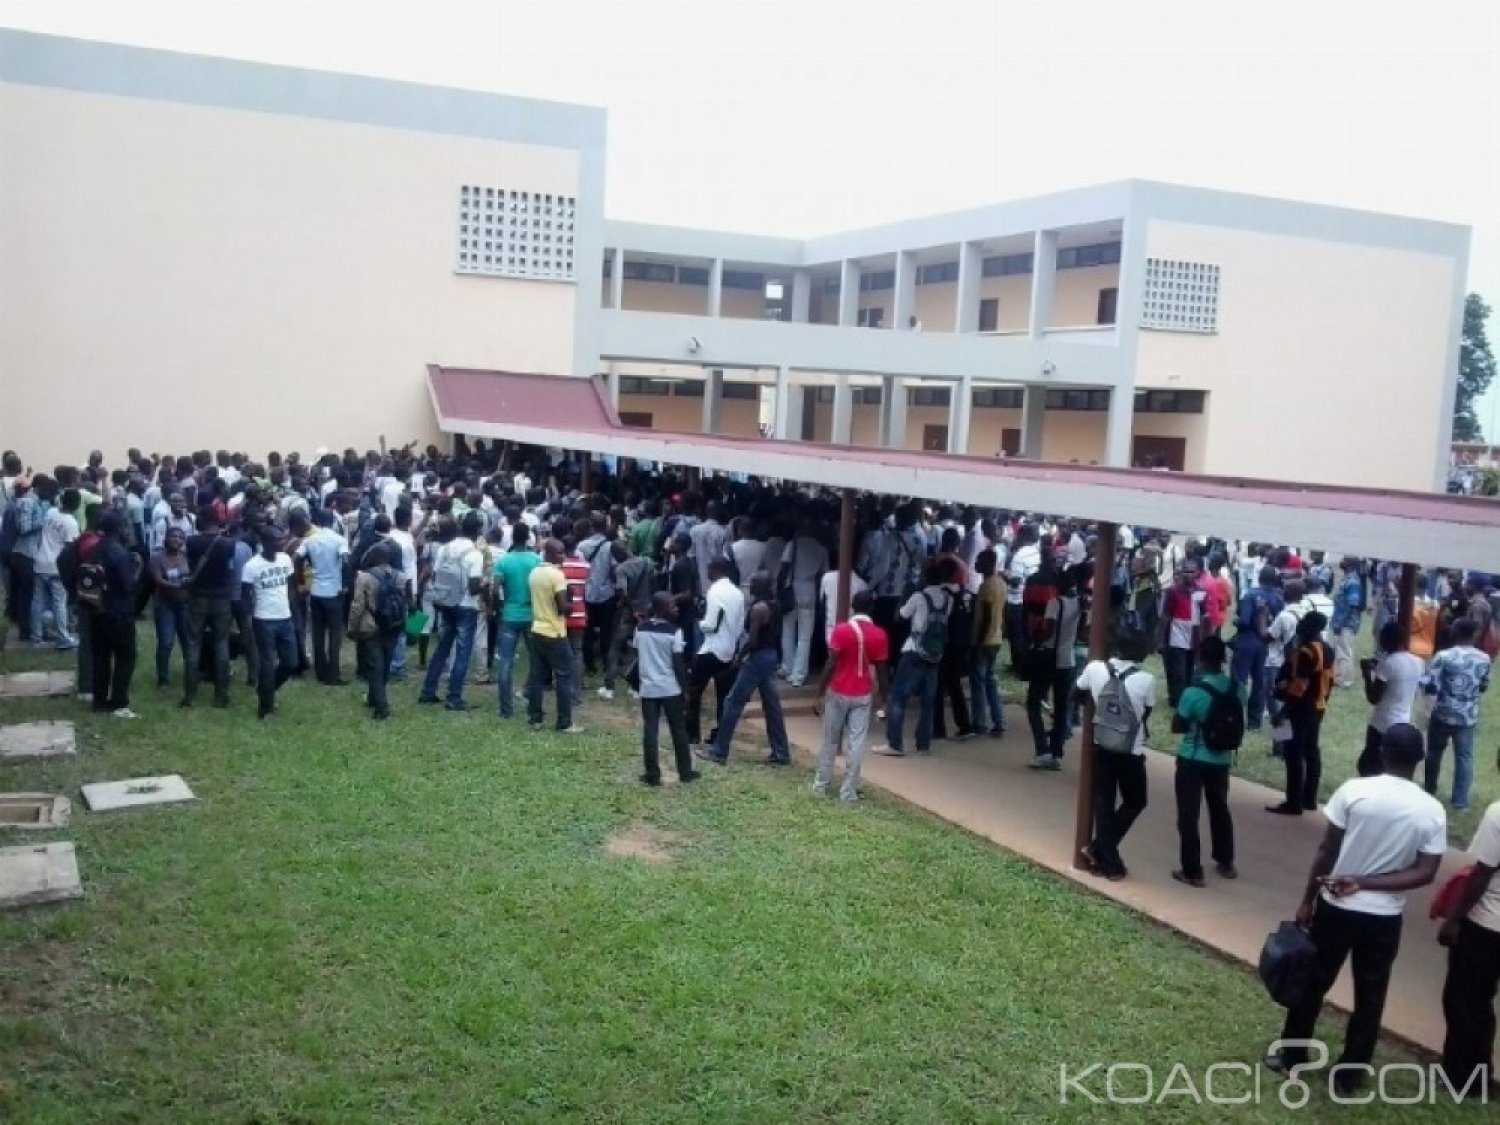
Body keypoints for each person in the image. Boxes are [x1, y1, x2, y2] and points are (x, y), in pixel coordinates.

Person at [1267, 724, 1446, 1096]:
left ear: (1381, 752)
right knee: (1371, 994)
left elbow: (1327, 851)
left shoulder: (1354, 791)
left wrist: (1307, 900)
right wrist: (1371, 884)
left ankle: (1292, 1057)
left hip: (1337, 907)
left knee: (1314, 982)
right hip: (1384, 918)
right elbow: (1425, 872)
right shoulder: (1431, 810)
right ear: (1420, 760)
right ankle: (1350, 1075)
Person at [1076, 630, 1156, 880]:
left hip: (1103, 745)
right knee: (1136, 801)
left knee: (1104, 802)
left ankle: (1103, 855)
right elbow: (1145, 713)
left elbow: (1076, 693)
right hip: (1130, 750)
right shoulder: (1147, 680)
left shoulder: (1095, 668)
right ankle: (1103, 853)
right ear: (1141, 653)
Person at [1437, 790, 1500, 1097]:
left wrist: (1453, 919)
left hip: (1488, 923)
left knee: (1465, 999)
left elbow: (1482, 874)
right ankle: (1480, 1073)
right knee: (1482, 1001)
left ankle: (1462, 1078)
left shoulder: (1498, 813)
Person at [697, 570, 789, 766]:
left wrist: (739, 657)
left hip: (758, 659)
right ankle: (781, 752)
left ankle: (719, 752)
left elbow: (753, 639)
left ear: (764, 586)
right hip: (771, 656)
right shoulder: (774, 605)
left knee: (733, 702)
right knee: (772, 706)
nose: (751, 585)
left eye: (755, 582)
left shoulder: (759, 609)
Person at [1170, 635, 1241, 887]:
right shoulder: (1236, 688)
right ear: (1222, 659)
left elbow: (1177, 726)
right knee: (1219, 808)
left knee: (1188, 815)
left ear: (1200, 658)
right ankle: (1226, 861)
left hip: (1193, 757)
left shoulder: (1193, 692)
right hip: (1221, 760)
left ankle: (1192, 871)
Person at [811, 590, 890, 803]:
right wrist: (884, 698)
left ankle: (821, 785)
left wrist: (819, 691)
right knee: (857, 743)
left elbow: (831, 663)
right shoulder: (879, 635)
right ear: (872, 609)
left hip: (838, 691)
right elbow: (882, 670)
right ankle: (848, 792)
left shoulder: (841, 630)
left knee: (830, 739)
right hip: (862, 694)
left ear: (852, 607)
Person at [873, 558, 957, 759]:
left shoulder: (918, 597)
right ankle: (923, 745)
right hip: (935, 655)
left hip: (914, 651)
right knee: (928, 701)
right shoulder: (949, 600)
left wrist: (905, 595)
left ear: (925, 578)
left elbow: (899, 617)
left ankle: (894, 743)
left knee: (898, 698)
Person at [418, 511, 485, 711]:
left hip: (446, 602)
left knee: (442, 647)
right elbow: (474, 588)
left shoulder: (445, 549)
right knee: (463, 653)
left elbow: (436, 574)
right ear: (478, 531)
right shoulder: (475, 554)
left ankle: (428, 691)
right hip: (466, 606)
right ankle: (454, 697)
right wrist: (485, 583)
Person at [1421, 618, 1491, 811]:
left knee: (1434, 753)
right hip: (1468, 715)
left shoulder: (1444, 656)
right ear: (1473, 635)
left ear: (1456, 633)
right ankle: (1460, 801)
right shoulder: (1484, 659)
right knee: (1464, 757)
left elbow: (1431, 685)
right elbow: (1484, 685)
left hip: (1443, 711)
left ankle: (1429, 791)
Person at [1268, 611, 1334, 815]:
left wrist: (1283, 712)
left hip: (1300, 707)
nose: (1300, 626)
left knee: (1293, 752)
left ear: (1311, 627)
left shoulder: (1307, 651)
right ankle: (1309, 798)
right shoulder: (1328, 649)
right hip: (1318, 706)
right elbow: (1329, 681)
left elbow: (1299, 685)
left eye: (1303, 623)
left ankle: (1293, 802)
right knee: (1311, 750)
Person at [631, 591, 700, 787]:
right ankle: (685, 772)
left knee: (650, 731)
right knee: (678, 729)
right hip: (670, 687)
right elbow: (678, 665)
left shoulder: (641, 629)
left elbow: (638, 653)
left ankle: (652, 774)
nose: (676, 608)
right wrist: (684, 690)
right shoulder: (674, 631)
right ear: (662, 608)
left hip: (648, 687)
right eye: (672, 606)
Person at [84, 511, 141, 718]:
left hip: (96, 609)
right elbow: (128, 585)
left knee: (101, 657)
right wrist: (137, 569)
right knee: (125, 656)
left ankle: (99, 700)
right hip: (119, 612)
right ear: (120, 529)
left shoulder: (94, 549)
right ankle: (119, 701)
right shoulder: (119, 552)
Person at [181, 506, 237, 708]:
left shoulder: (192, 542)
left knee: (193, 643)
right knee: (221, 644)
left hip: (198, 596)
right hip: (221, 597)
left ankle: (190, 696)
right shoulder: (228, 543)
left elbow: (190, 564)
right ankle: (221, 695)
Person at [241, 525, 297, 720]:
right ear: (264, 543)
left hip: (285, 617)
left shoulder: (285, 559)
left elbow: (291, 584)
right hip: (263, 620)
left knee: (291, 662)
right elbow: (245, 596)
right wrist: (248, 619)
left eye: (282, 540)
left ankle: (267, 689)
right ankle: (265, 708)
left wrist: (288, 604)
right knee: (266, 663)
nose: (281, 543)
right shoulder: (252, 566)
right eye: (276, 541)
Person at [686, 556, 742, 751]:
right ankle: (719, 735)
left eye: (709, 569)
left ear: (717, 570)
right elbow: (739, 625)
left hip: (711, 648)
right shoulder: (738, 592)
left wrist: (698, 621)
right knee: (723, 697)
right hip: (729, 649)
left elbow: (711, 625)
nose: (707, 573)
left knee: (693, 691)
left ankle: (691, 734)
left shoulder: (715, 591)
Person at [526, 538, 581, 733]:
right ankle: (564, 722)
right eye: (559, 553)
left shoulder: (534, 573)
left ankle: (535, 718)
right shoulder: (557, 576)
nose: (563, 556)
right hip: (555, 632)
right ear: (549, 554)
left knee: (537, 676)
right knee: (564, 676)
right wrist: (572, 599)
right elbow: (563, 609)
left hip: (537, 628)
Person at [346, 541, 405, 720]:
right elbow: (406, 603)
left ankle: (381, 707)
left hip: (371, 626)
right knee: (385, 665)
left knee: (375, 666)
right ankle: (374, 697)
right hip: (393, 626)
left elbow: (357, 606)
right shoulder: (399, 576)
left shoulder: (364, 577)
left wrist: (352, 628)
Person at [1356, 622, 1424, 777]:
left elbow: (1374, 697)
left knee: (1368, 766)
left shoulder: (1388, 663)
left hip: (1381, 723)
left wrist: (1367, 674)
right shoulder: (1418, 662)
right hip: (1403, 720)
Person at [294, 508, 351, 686]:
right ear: (333, 522)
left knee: (318, 633)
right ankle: (333, 674)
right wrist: (345, 584)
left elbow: (296, 558)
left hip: (316, 591)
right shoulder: (339, 540)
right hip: (333, 591)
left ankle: (320, 671)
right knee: (335, 634)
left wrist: (301, 579)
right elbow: (346, 561)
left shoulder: (310, 540)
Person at [492, 522, 540, 719]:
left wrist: (498, 607)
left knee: (505, 663)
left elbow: (495, 589)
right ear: (528, 538)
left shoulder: (504, 561)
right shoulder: (537, 560)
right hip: (531, 614)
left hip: (510, 615)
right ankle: (534, 703)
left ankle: (506, 709)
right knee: (536, 661)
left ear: (512, 538)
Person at [1230, 565, 1284, 732]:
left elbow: (1244, 621)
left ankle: (1234, 716)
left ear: (1259, 577)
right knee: (1259, 682)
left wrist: (1236, 621)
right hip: (1264, 643)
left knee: (1239, 680)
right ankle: (1255, 722)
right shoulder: (1277, 598)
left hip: (1247, 640)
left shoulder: (1251, 595)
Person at [777, 519, 828, 687]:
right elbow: (823, 576)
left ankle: (788, 667)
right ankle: (799, 675)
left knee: (788, 631)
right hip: (810, 590)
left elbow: (783, 569)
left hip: (792, 589)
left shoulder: (793, 545)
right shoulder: (821, 549)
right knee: (805, 636)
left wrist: (779, 590)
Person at [32, 487, 81, 649]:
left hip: (40, 562)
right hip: (57, 567)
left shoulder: (51, 512)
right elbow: (71, 548)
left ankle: (36, 637)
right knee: (60, 603)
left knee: (37, 602)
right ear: (76, 505)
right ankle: (63, 637)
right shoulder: (71, 523)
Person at [969, 547, 1007, 737]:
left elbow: (984, 618)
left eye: (979, 562)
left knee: (978, 682)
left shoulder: (987, 586)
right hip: (996, 637)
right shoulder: (1001, 583)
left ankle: (979, 722)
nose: (976, 565)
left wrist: (977, 643)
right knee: (990, 680)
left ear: (987, 564)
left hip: (985, 639)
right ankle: (998, 721)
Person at [149, 526, 191, 687]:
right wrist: (178, 586)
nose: (177, 540)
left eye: (181, 537)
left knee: (187, 641)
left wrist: (189, 583)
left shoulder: (185, 556)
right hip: (165, 605)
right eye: (173, 536)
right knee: (166, 642)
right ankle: (163, 678)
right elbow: (158, 580)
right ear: (166, 538)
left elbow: (192, 576)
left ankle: (191, 674)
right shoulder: (157, 558)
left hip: (184, 605)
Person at [1160, 564, 1204, 708]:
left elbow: (1204, 614)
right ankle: (1177, 700)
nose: (1190, 574)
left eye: (1193, 571)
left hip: (1194, 636)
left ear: (1197, 573)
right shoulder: (1173, 591)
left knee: (1190, 669)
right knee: (1178, 670)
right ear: (1182, 573)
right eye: (1186, 571)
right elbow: (1166, 614)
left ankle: (1187, 699)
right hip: (1177, 634)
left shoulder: (1201, 591)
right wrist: (1161, 638)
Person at [1329, 557, 1366, 688]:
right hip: (1341, 622)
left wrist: (1340, 623)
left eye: (1345, 561)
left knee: (1345, 652)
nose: (1341, 562)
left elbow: (1352, 605)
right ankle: (1340, 676)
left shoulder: (1353, 582)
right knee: (1340, 650)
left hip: (1347, 623)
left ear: (1351, 565)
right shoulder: (1348, 578)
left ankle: (1345, 680)